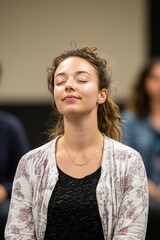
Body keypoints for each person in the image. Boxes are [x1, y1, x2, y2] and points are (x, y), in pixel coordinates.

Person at [5, 47, 148, 240]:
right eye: (60, 81)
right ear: (55, 98)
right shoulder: (31, 164)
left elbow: (131, 234)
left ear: (102, 95)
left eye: (81, 79)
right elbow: (17, 234)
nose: (69, 85)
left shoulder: (129, 162)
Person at [121, 58, 160, 239]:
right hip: (142, 200)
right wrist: (153, 191)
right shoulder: (130, 119)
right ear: (144, 82)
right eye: (154, 78)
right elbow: (125, 164)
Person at [0, 65, 30, 239]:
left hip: (2, 204)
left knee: (10, 213)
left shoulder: (9, 127)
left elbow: (24, 178)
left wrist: (4, 189)